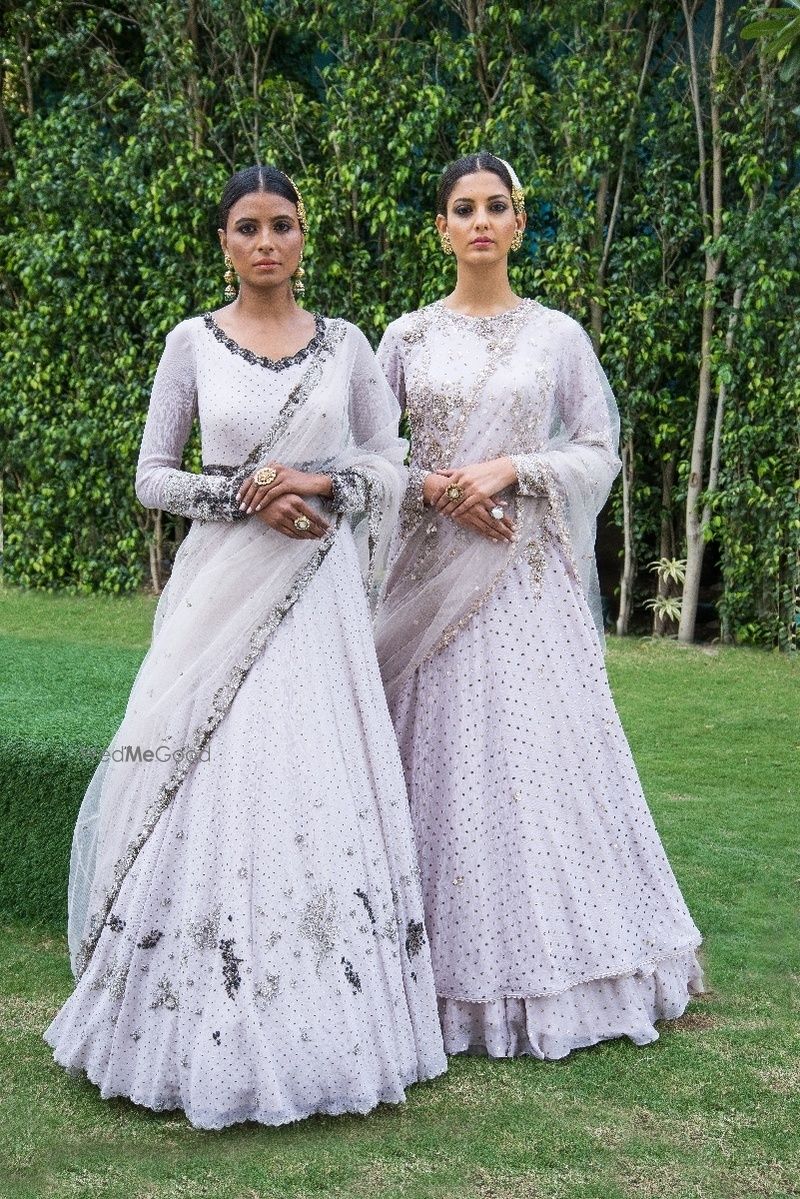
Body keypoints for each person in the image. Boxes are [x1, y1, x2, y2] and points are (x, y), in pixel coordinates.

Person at [44, 165, 446, 1129]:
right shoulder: (191, 342)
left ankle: (334, 1016)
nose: (267, 241)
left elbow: (391, 466)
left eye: (284, 225)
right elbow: (151, 475)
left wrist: (316, 487)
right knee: (203, 775)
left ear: (305, 237)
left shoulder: (347, 345)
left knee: (311, 782)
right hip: (219, 594)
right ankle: (180, 1009)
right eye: (248, 227)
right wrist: (241, 494)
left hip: (315, 608)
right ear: (223, 241)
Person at [374, 152, 703, 1060]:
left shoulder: (557, 336)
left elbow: (599, 451)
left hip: (523, 581)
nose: (480, 220)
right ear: (440, 228)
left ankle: (561, 972)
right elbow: (361, 460)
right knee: (433, 760)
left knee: (534, 765)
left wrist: (513, 469)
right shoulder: (402, 339)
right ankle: (415, 973)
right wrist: (435, 486)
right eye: (462, 208)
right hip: (430, 582)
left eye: (497, 207)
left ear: (520, 225)